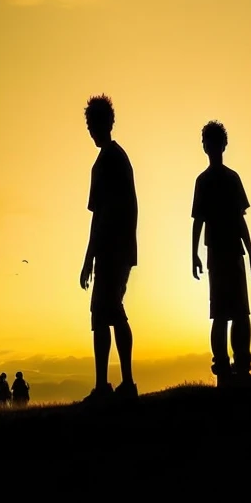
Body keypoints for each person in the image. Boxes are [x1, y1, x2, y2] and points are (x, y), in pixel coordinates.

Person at [191, 120, 251, 387]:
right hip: (218, 254)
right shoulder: (204, 181)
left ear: (222, 145)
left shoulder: (232, 179)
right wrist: (194, 254)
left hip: (233, 252)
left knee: (240, 313)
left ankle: (241, 369)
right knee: (221, 314)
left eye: (214, 141)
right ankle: (223, 371)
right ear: (205, 146)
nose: (211, 146)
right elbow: (197, 219)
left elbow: (241, 220)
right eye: (208, 141)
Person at [80, 94, 138, 402]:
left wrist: (91, 256)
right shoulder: (106, 161)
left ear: (107, 123)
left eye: (94, 124)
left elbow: (107, 214)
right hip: (112, 249)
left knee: (110, 312)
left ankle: (123, 385)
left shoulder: (112, 160)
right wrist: (89, 258)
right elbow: (97, 215)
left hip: (114, 249)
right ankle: (106, 385)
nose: (91, 130)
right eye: (89, 125)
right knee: (103, 315)